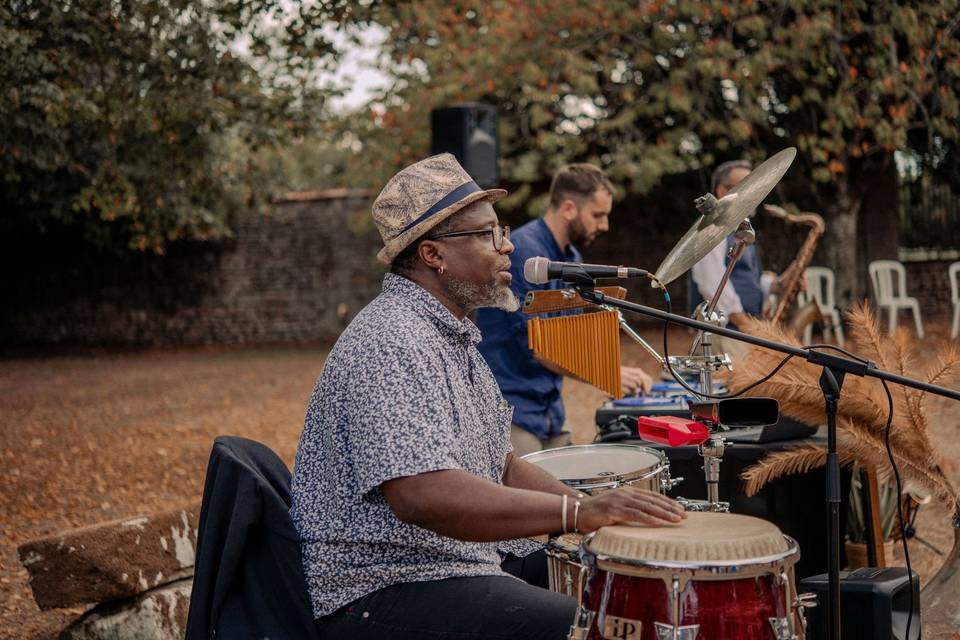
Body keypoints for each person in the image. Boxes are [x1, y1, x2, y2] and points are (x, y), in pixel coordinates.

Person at [290, 153, 686, 640]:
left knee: (620, 581)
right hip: (382, 588)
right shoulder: (392, 341)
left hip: (455, 560)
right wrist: (577, 513)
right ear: (433, 254)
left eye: (503, 231)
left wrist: (591, 508)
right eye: (488, 234)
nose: (508, 247)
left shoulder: (454, 337)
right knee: (592, 625)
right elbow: (421, 495)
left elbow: (500, 465)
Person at [475, 164, 655, 457]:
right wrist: (608, 374)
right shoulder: (523, 252)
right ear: (569, 208)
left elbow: (567, 337)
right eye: (598, 215)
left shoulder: (571, 258)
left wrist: (609, 366)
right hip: (511, 408)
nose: (605, 225)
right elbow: (540, 345)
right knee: (534, 498)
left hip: (549, 408)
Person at [689, 160, 791, 330]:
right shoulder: (712, 227)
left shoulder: (742, 226)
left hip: (743, 330)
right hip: (725, 332)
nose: (754, 193)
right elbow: (712, 284)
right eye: (746, 186)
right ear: (722, 191)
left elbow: (743, 277)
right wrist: (746, 325)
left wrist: (778, 284)